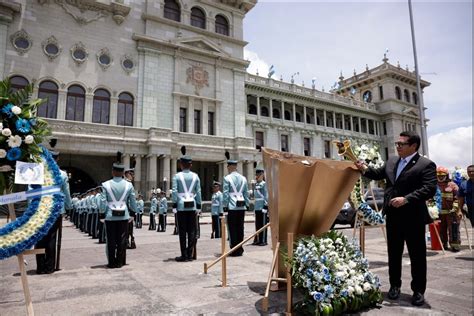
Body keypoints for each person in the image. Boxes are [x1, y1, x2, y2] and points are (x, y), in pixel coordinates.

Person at [355, 131, 437, 306]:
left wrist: (406, 199)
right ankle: (394, 286)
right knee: (394, 254)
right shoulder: (392, 161)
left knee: (417, 256)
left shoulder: (425, 164)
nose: (398, 147)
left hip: (413, 217)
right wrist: (363, 168)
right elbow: (377, 174)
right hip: (393, 216)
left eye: (402, 144)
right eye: (397, 144)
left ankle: (418, 291)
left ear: (413, 146)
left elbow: (429, 189)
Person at [35, 151, 72, 274]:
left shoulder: (39, 173)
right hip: (56, 210)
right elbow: (66, 193)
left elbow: (32, 191)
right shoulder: (62, 174)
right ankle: (50, 267)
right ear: (57, 159)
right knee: (52, 238)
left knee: (40, 237)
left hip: (40, 209)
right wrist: (68, 207)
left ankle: (40, 267)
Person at [99, 163, 137, 269]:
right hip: (124, 215)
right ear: (122, 173)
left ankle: (111, 262)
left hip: (110, 215)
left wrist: (102, 214)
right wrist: (133, 213)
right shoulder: (129, 185)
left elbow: (102, 201)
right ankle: (119, 262)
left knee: (110, 240)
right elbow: (132, 201)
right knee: (122, 240)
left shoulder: (105, 184)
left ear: (113, 172)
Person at [172, 155, 202, 262]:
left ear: (181, 165)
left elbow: (175, 191)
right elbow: (198, 192)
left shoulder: (177, 176)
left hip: (181, 206)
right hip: (192, 205)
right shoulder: (195, 176)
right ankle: (190, 254)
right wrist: (199, 206)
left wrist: (174, 204)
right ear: (190, 165)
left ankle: (183, 255)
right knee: (192, 231)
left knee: (182, 232)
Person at [223, 159, 249, 257]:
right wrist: (247, 204)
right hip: (241, 205)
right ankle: (240, 248)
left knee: (232, 228)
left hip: (232, 206)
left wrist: (225, 206)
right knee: (240, 228)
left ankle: (234, 249)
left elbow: (225, 194)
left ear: (229, 166)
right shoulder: (243, 178)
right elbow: (246, 193)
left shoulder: (227, 178)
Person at [436, 166, 461, 251]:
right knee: (441, 230)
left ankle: (455, 245)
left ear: (446, 175)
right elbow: (430, 198)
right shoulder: (433, 185)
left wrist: (455, 208)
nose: (440, 177)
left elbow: (457, 198)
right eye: (438, 175)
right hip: (439, 213)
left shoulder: (453, 185)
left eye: (442, 175)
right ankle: (443, 244)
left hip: (451, 212)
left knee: (453, 229)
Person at [252, 167, 268, 246]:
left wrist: (266, 206)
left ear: (262, 175)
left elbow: (266, 195)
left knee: (263, 224)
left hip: (262, 207)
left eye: (259, 174)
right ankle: (258, 239)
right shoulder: (256, 184)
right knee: (258, 224)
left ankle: (263, 240)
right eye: (256, 174)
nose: (257, 176)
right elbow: (254, 196)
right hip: (257, 207)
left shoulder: (264, 184)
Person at [124, 168, 136, 249]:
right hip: (128, 210)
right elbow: (132, 200)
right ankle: (128, 241)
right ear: (127, 174)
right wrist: (133, 211)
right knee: (129, 228)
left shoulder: (122, 183)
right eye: (131, 174)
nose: (133, 176)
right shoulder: (129, 184)